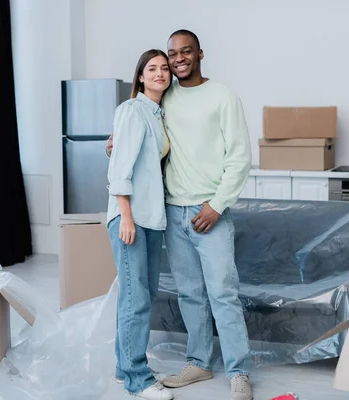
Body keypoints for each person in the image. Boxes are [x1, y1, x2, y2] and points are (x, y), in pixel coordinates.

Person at [106, 30, 254, 400]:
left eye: (185, 51)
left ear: (200, 53)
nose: (177, 59)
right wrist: (113, 145)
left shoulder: (223, 96)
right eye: (171, 54)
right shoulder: (160, 98)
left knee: (222, 293)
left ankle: (238, 372)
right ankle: (199, 363)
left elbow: (239, 157)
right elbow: (133, 142)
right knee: (189, 293)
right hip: (170, 212)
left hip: (210, 211)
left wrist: (217, 205)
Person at [106, 49, 174, 400]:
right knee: (137, 300)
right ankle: (138, 379)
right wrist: (126, 216)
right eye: (152, 68)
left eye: (165, 68)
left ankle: (123, 368)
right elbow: (120, 171)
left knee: (138, 296)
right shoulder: (132, 109)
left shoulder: (158, 114)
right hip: (131, 217)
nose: (160, 73)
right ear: (141, 76)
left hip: (150, 217)